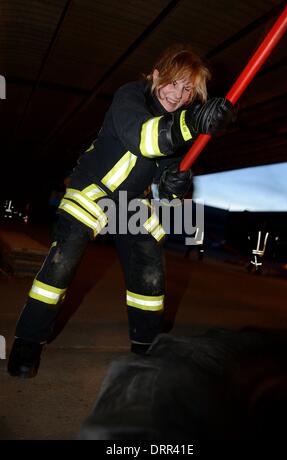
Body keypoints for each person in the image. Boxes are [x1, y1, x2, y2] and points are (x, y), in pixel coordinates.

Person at [7, 44, 235, 378]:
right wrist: (192, 122)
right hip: (91, 189)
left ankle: (147, 345)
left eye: (188, 90)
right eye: (174, 82)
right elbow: (143, 139)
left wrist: (173, 188)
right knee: (62, 262)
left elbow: (163, 185)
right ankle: (28, 340)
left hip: (129, 203)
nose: (179, 94)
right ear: (156, 76)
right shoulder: (130, 96)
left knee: (149, 266)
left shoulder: (177, 126)